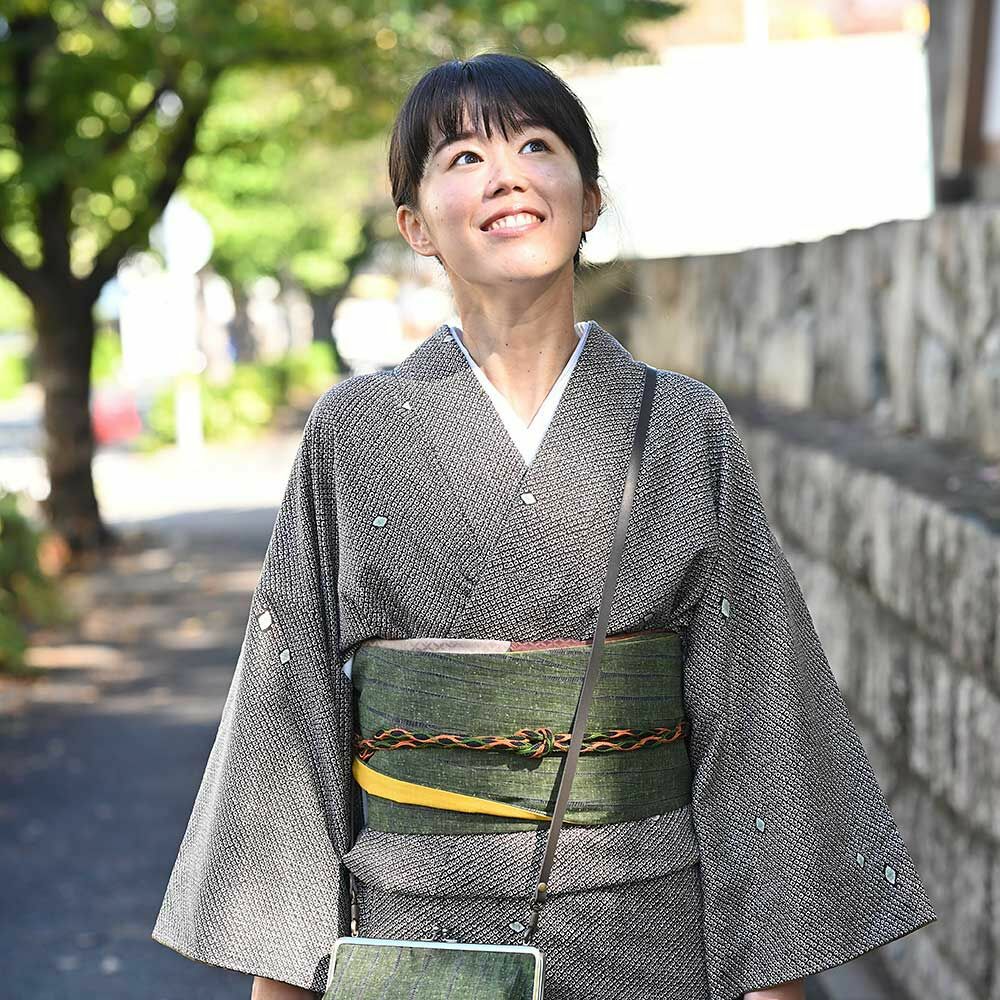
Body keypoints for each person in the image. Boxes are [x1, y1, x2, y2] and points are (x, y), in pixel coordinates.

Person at [151, 52, 938, 1000]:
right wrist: (281, 983)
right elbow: (290, 714)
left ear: (589, 199)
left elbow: (759, 707)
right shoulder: (353, 432)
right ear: (415, 225)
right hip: (418, 935)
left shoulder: (679, 426)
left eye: (536, 145)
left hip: (647, 928)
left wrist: (777, 979)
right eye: (463, 158)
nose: (506, 175)